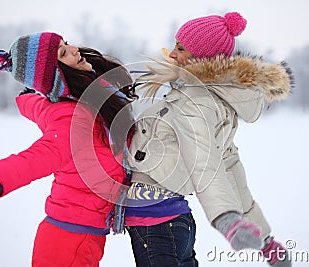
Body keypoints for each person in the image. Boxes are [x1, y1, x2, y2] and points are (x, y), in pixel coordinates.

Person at [125, 12, 293, 267]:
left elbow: (204, 161)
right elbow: (230, 167)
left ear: (201, 58)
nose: (172, 54)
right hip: (175, 218)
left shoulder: (196, 100)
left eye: (180, 48)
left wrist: (227, 219)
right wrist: (266, 241)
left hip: (156, 222)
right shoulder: (211, 100)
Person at [0, 32, 135, 267]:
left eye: (67, 44)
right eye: (63, 53)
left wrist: (27, 99)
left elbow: (37, 106)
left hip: (75, 234)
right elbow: (36, 159)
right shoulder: (74, 121)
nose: (74, 50)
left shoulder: (76, 101)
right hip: (68, 242)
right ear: (56, 77)